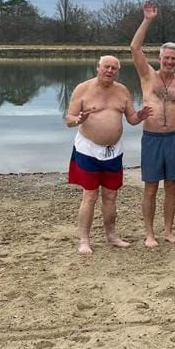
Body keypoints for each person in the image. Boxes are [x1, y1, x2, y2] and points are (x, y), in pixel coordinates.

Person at [66, 55, 152, 254]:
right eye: (106, 67)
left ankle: (111, 235)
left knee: (111, 195)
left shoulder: (122, 91)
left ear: (118, 71)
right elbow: (68, 119)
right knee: (89, 195)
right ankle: (84, 240)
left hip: (113, 151)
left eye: (114, 68)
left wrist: (140, 115)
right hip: (88, 149)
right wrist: (78, 119)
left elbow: (131, 119)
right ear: (98, 67)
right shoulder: (83, 89)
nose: (110, 70)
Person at [130, 3, 175, 248]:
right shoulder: (148, 76)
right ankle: (149, 233)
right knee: (150, 187)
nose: (169, 62)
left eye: (173, 59)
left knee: (171, 187)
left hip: (174, 139)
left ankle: (168, 230)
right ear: (159, 58)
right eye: (166, 58)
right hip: (152, 138)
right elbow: (134, 47)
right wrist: (147, 20)